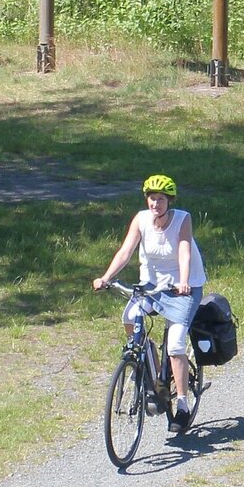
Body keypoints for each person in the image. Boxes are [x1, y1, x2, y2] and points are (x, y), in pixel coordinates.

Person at [93, 174, 206, 431]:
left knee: (176, 345)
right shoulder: (141, 220)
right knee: (129, 318)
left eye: (161, 199)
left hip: (181, 288)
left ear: (170, 201)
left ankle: (183, 406)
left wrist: (185, 281)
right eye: (152, 199)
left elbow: (185, 252)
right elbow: (125, 251)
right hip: (152, 286)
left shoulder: (182, 220)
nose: (156, 204)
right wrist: (106, 277)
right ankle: (155, 376)